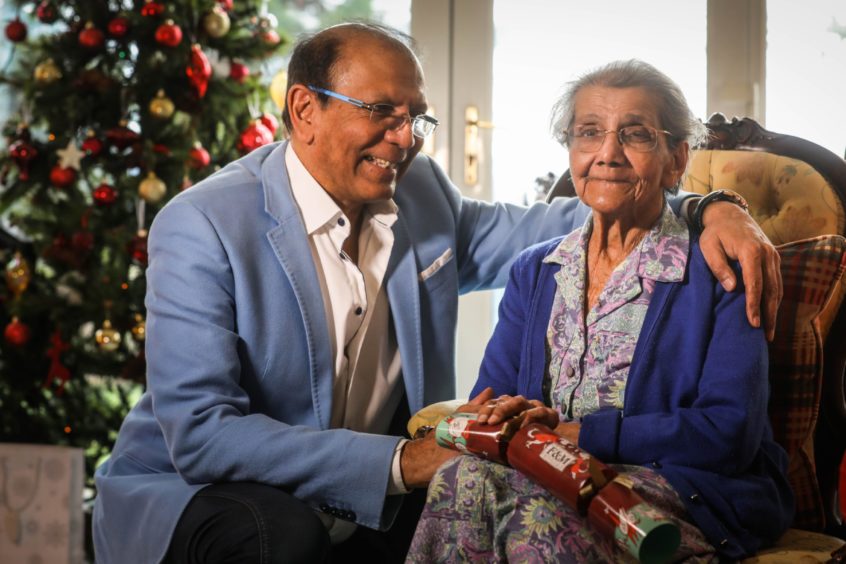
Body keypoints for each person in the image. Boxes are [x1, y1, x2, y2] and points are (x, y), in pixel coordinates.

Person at [92, 23, 782, 563]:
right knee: (287, 538)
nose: (406, 139)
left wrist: (706, 207)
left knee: (461, 511)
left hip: (368, 492)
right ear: (304, 109)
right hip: (203, 489)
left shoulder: (416, 191)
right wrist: (400, 461)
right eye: (381, 112)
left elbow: (593, 207)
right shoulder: (203, 222)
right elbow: (204, 437)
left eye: (416, 116)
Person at [406, 59, 794, 563]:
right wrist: (510, 419)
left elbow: (729, 434)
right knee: (464, 478)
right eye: (589, 133)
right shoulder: (535, 270)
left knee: (533, 522)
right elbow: (494, 399)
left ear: (677, 160)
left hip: (689, 491)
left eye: (634, 135)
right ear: (571, 149)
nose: (607, 154)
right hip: (545, 472)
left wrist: (578, 436)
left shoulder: (721, 268)